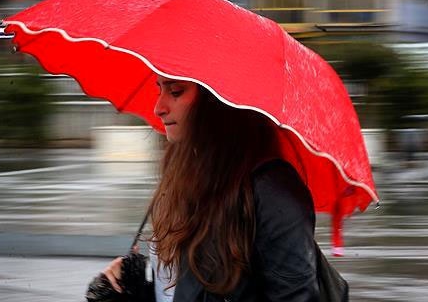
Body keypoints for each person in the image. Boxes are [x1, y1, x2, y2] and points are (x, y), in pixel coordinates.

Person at [101, 75, 319, 301]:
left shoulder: (271, 191)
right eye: (160, 91)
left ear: (217, 100)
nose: (159, 108)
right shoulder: (180, 176)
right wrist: (130, 292)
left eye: (175, 92)